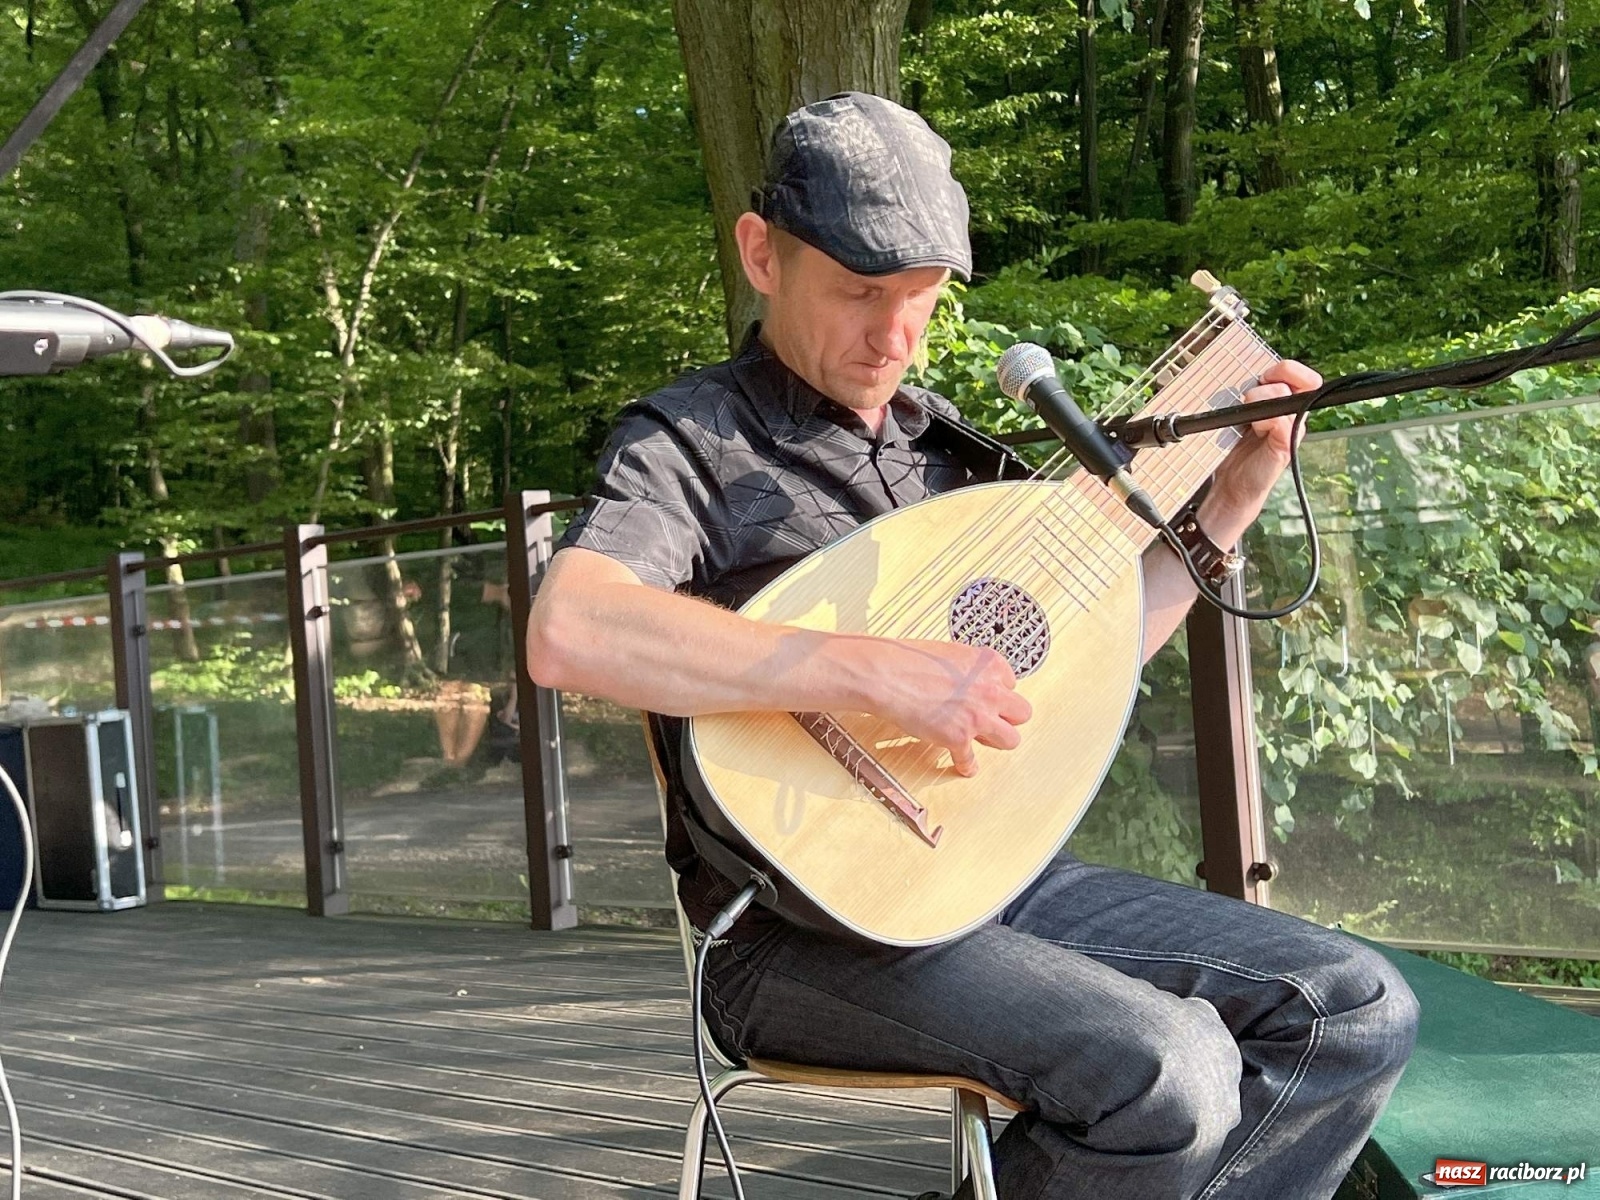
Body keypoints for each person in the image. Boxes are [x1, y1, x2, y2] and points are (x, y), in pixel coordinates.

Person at [527, 92, 1419, 1200]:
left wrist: (1230, 498)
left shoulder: (957, 457)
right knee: (1166, 1070)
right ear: (761, 253)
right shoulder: (689, 444)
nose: (893, 335)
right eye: (859, 292)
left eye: (922, 299)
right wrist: (871, 672)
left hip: (998, 882)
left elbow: (1077, 662)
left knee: (1352, 1005)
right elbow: (571, 630)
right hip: (792, 929)